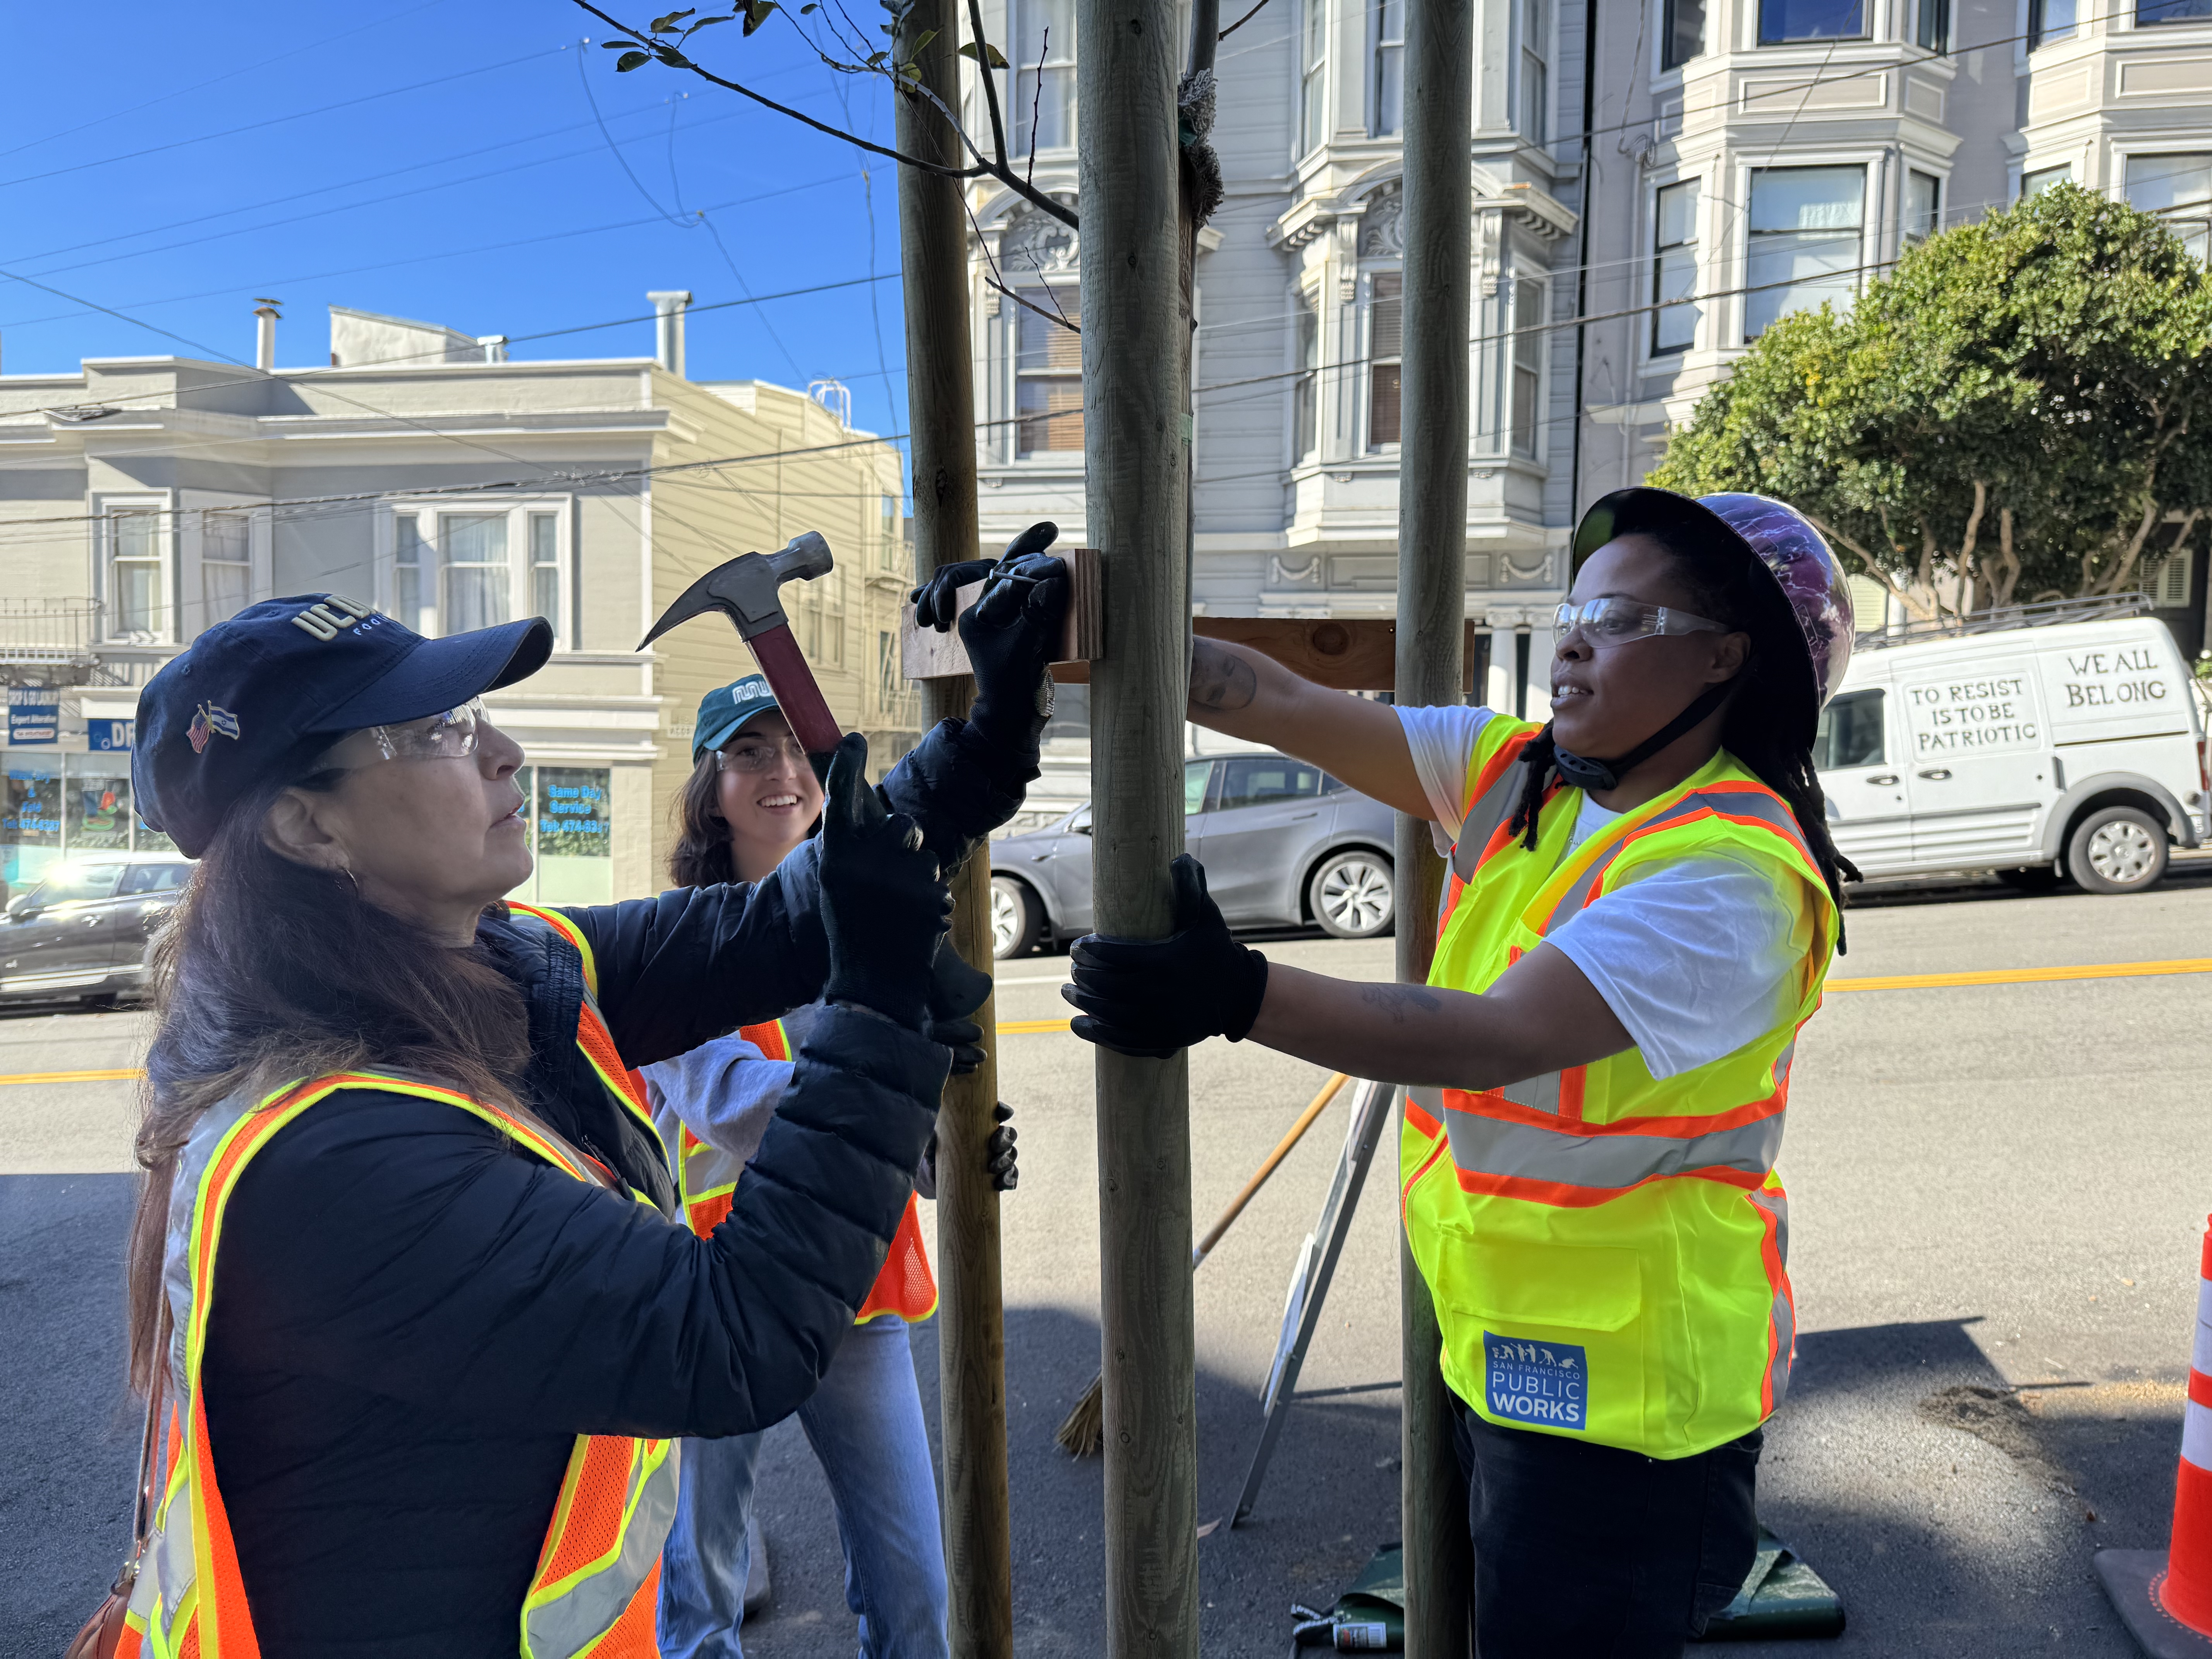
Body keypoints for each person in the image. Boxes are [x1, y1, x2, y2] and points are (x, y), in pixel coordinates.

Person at [117, 549, 1066, 1657]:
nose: (504, 751)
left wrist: (990, 732)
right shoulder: (328, 1149)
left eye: (468, 714)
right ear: (307, 828)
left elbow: (775, 923)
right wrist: (883, 1006)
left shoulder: (499, 963)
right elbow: (734, 1334)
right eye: (434, 734)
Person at [1063, 489, 1858, 1656]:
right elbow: (1280, 698)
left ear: (1724, 662)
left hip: (1633, 1408)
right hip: (1504, 1340)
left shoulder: (1731, 873)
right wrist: (1071, 626)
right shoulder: (1529, 779)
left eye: (1627, 617)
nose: (1577, 637)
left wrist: (1236, 994)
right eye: (1579, 607)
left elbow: (1493, 1034)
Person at [648, 675, 1017, 1659]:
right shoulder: (677, 945)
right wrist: (887, 1053)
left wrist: (956, 1143)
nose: (782, 773)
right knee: (703, 1589)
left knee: (915, 1592)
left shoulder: (871, 929)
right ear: (708, 787)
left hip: (859, 1297)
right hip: (718, 1299)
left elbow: (899, 1131)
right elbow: (742, 1110)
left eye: (796, 752)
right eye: (749, 752)